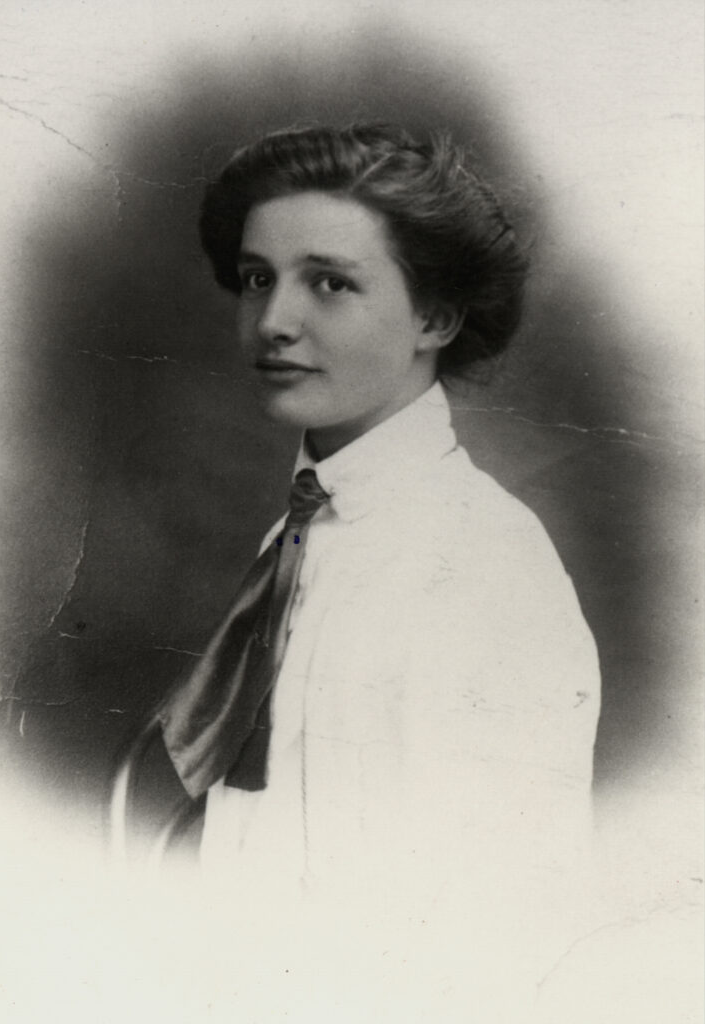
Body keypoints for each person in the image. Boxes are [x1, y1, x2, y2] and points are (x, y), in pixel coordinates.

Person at [157, 122, 601, 1017]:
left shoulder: (483, 568)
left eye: (330, 282)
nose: (274, 321)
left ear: (434, 318)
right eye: (257, 278)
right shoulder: (297, 536)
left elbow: (504, 935)